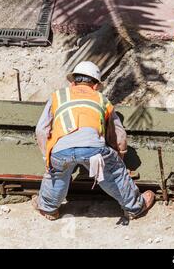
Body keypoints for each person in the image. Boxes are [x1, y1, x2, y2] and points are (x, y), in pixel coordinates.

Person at [33, 61, 154, 220]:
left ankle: (48, 209)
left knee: (55, 175)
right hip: (93, 149)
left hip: (60, 149)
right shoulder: (102, 100)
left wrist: (47, 156)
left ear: (72, 82)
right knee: (115, 174)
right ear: (96, 86)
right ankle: (135, 207)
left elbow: (41, 129)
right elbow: (118, 134)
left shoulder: (57, 96)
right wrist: (119, 155)